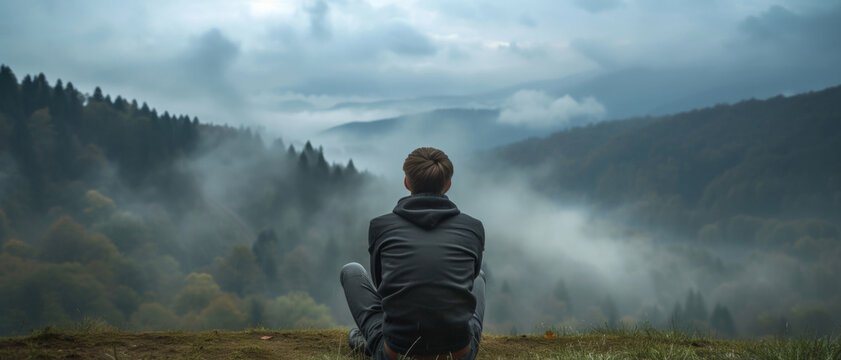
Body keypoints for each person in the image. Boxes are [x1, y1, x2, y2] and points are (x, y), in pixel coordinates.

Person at [340, 147, 486, 360]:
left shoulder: (381, 226)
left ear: (407, 182)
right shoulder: (473, 227)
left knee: (351, 271)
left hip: (398, 353)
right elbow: (469, 279)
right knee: (479, 276)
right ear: (448, 184)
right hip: (458, 354)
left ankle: (372, 340)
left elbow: (382, 287)